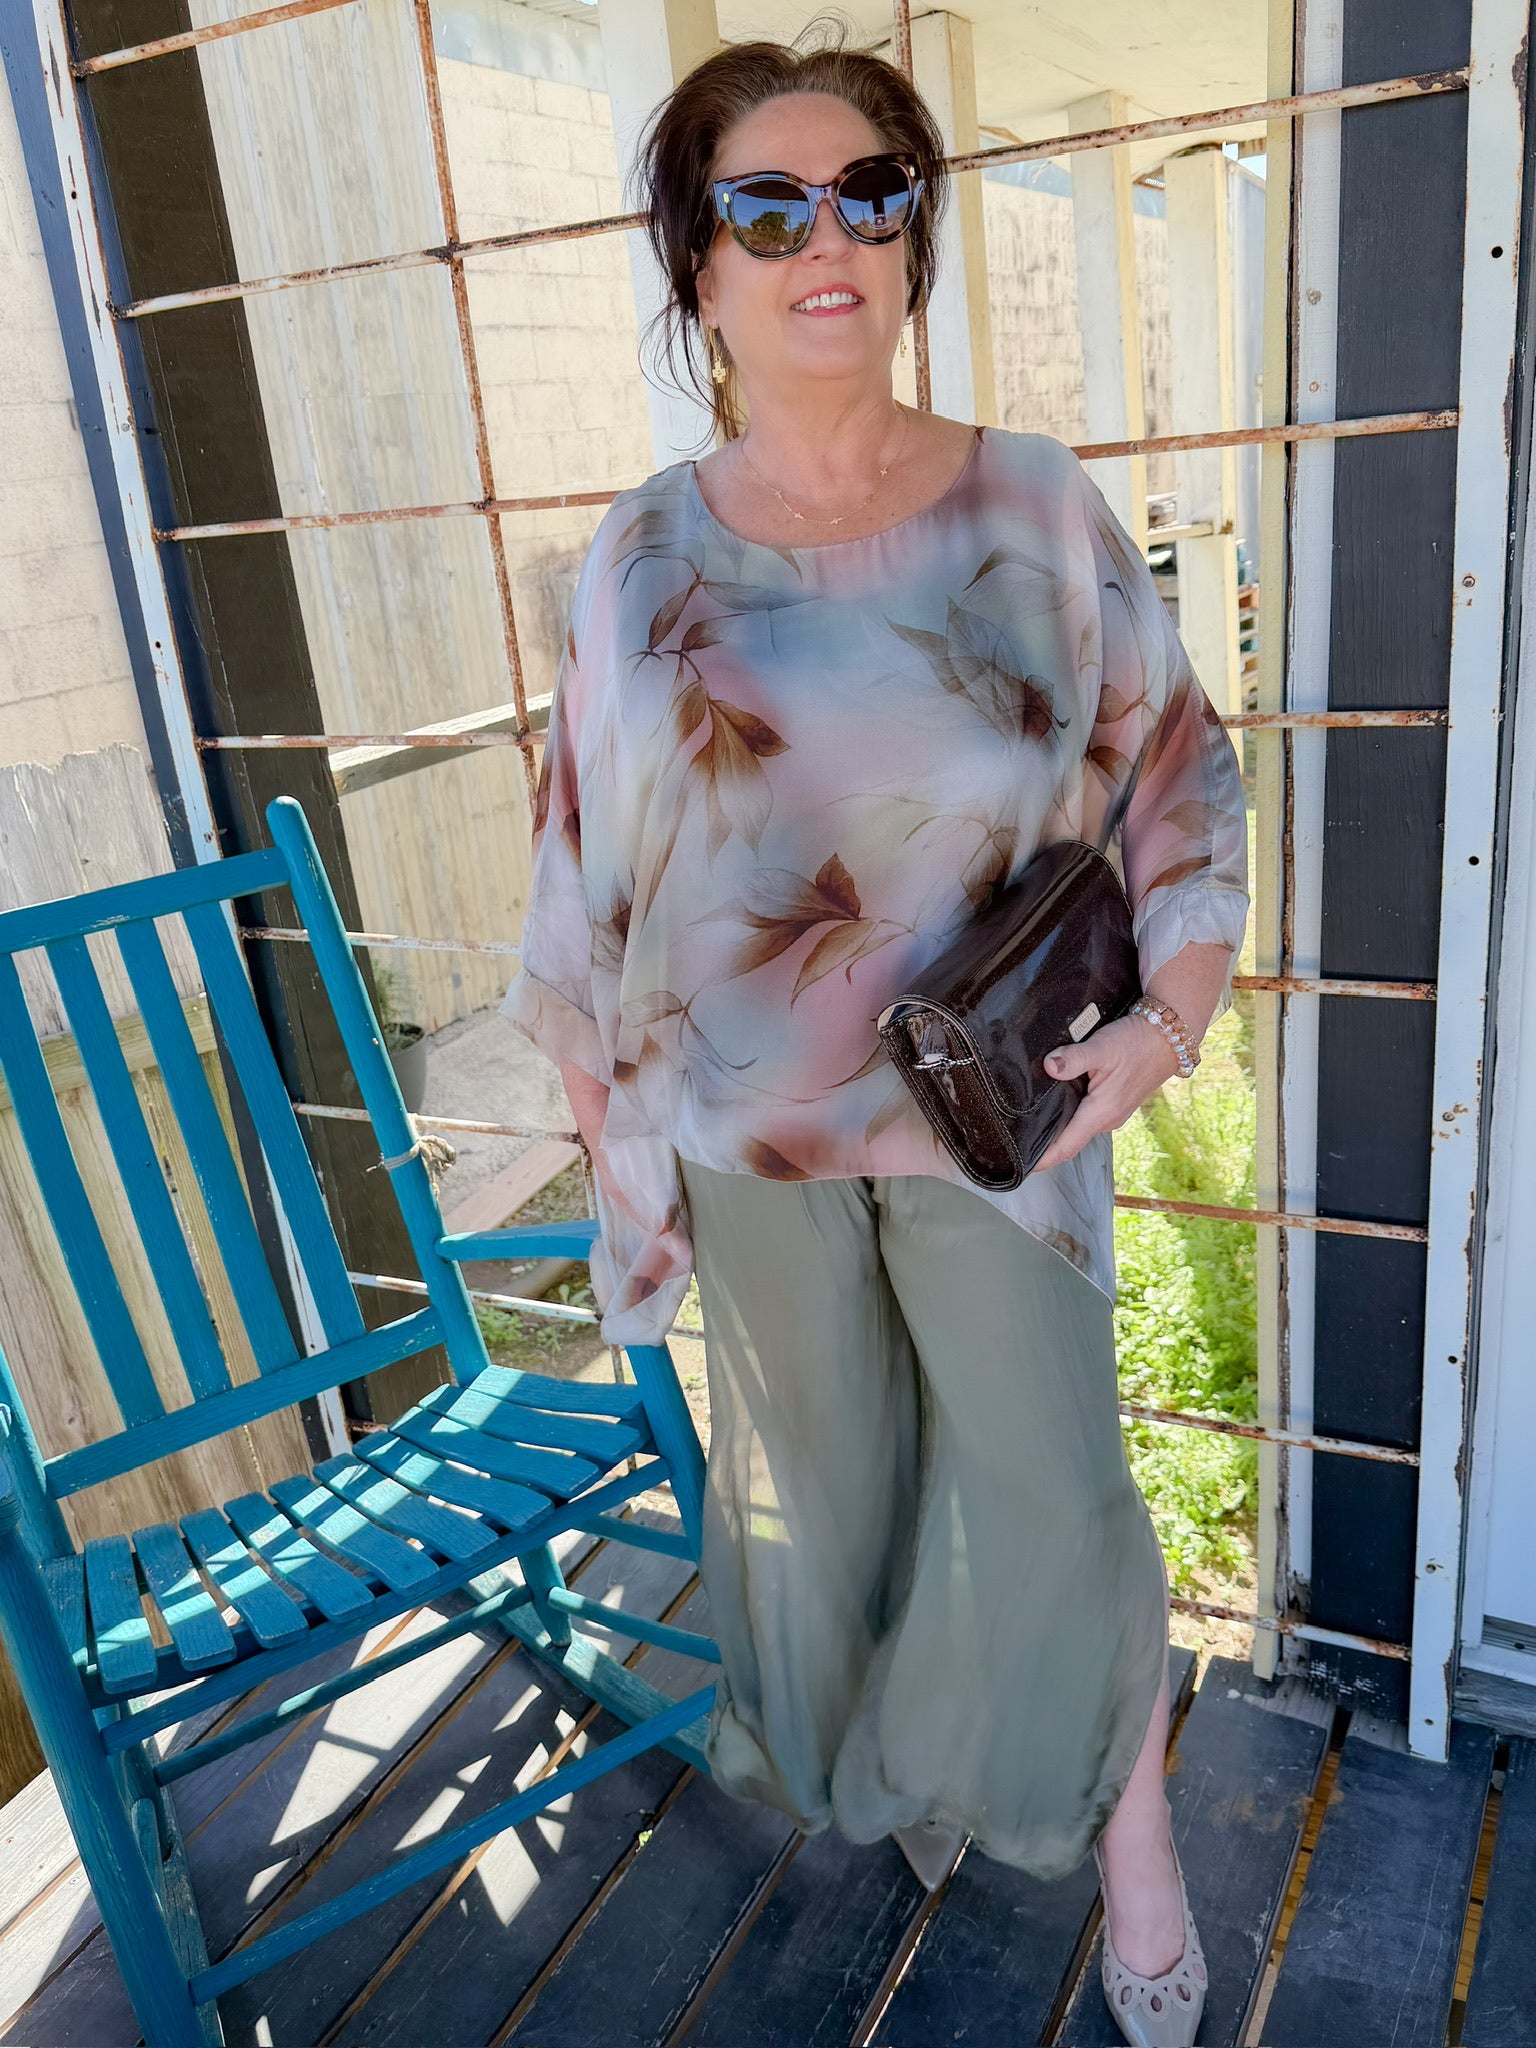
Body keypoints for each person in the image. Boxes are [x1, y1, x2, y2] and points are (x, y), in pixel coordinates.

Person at [503, 32, 1247, 2046]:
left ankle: (1134, 1842)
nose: (825, 237)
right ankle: (947, 1782)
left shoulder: (1031, 505)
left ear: (914, 232)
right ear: (702, 265)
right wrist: (609, 1122)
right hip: (752, 1141)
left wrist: (1166, 1026)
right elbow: (583, 851)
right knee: (844, 1508)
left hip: (997, 1124)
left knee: (1059, 1487)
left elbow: (1174, 774)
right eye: (769, 206)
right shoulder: (643, 556)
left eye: (871, 193)